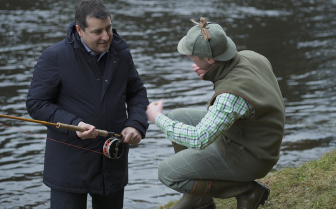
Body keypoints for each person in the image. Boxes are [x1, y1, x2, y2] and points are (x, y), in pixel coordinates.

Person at [146, 17, 285, 209]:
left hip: (250, 157)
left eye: (191, 53)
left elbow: (199, 138)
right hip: (252, 139)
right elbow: (241, 89)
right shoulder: (251, 56)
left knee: (167, 172)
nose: (188, 56)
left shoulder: (230, 96)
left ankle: (247, 191)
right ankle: (199, 199)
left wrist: (157, 118)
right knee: (177, 118)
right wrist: (210, 72)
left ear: (210, 59)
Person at [26, 0, 149, 208]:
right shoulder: (54, 57)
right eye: (97, 31)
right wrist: (74, 124)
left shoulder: (121, 51)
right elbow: (36, 104)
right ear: (79, 30)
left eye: (108, 28)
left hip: (112, 160)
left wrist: (136, 124)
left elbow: (136, 92)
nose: (106, 36)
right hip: (69, 166)